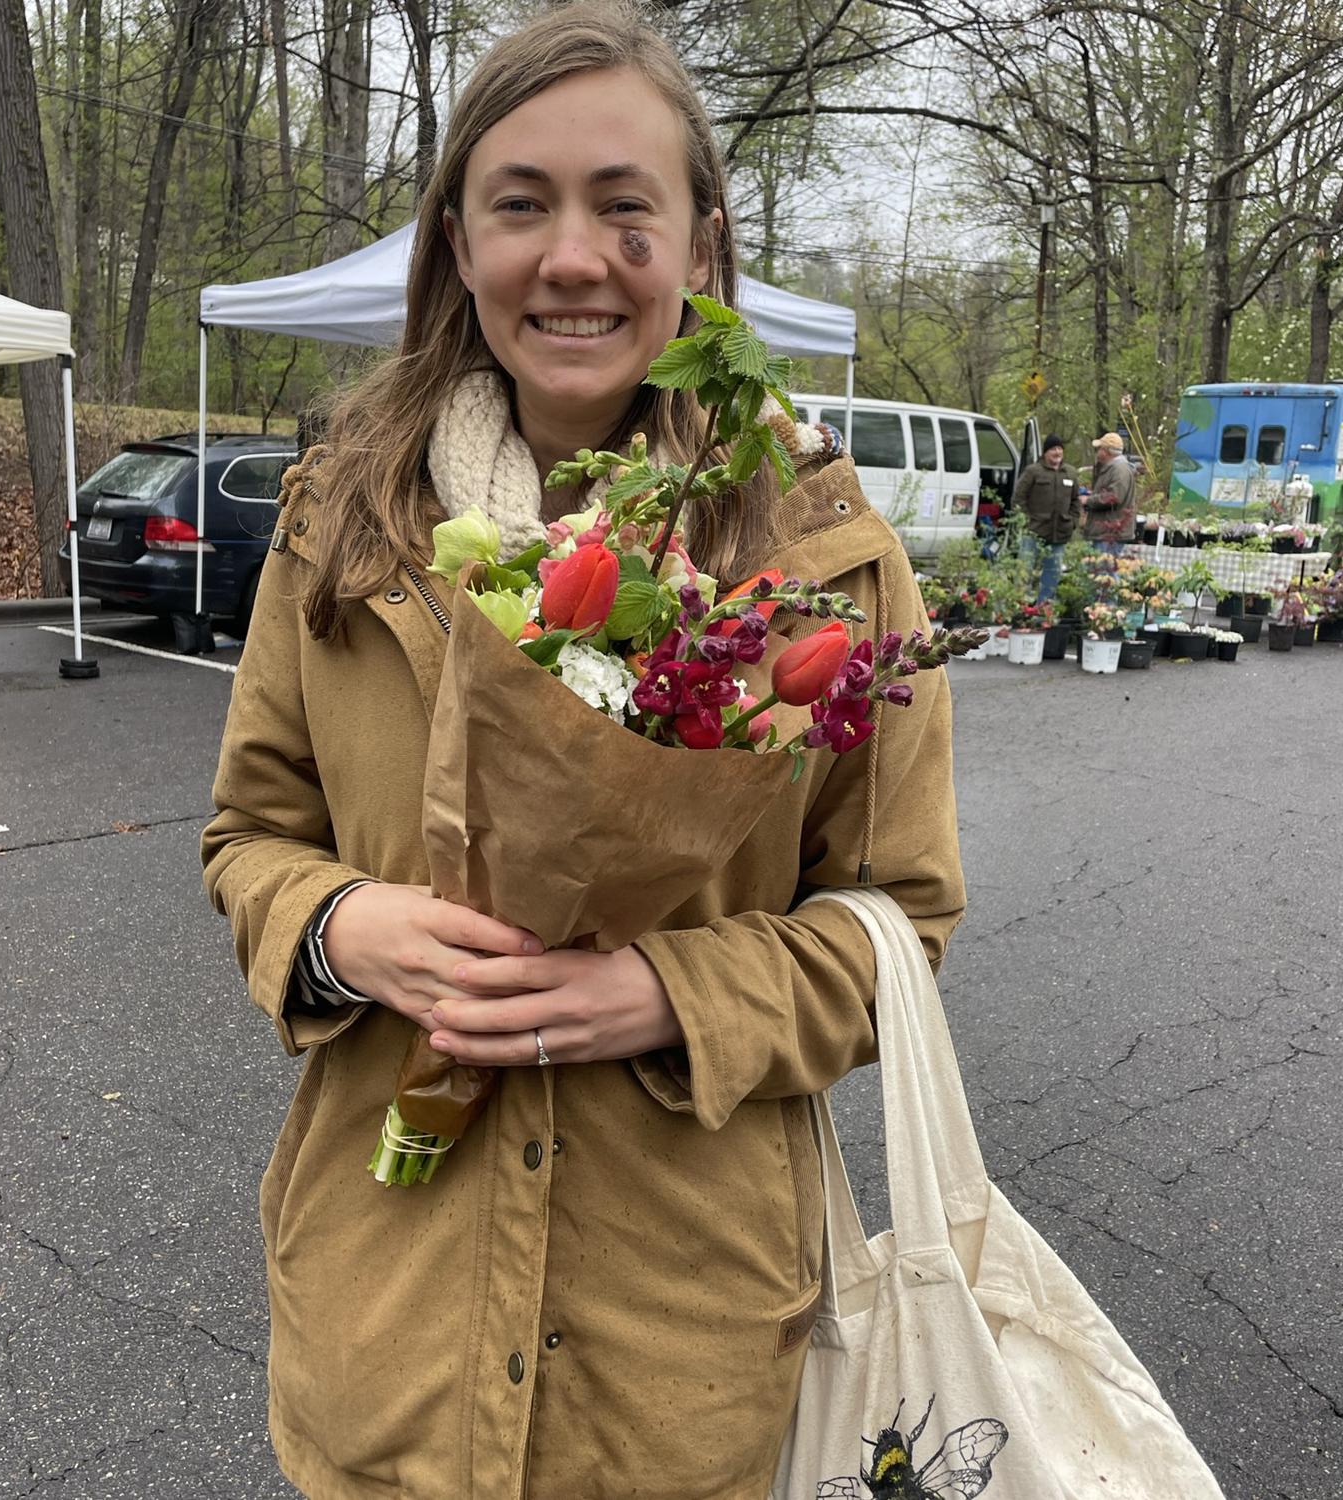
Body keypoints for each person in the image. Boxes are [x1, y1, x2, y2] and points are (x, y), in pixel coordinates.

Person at [200, 5, 964, 1496]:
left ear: (699, 246)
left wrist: (662, 992)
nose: (571, 255)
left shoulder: (830, 566)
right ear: (457, 242)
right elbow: (247, 840)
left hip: (681, 1351)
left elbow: (901, 928)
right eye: (521, 204)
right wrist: (347, 928)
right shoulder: (337, 529)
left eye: (626, 208)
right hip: (385, 1324)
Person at [1012, 433, 1079, 601]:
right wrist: (1027, 521)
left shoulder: (1070, 472)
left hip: (1060, 533)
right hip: (1034, 532)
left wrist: (1073, 522)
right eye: (1053, 449)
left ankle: (1044, 607)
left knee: (1053, 572)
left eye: (1059, 449)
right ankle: (1019, 605)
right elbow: (1018, 499)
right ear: (1045, 452)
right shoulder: (1033, 471)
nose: (1057, 452)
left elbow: (1076, 500)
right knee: (1024, 570)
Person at [1084, 430, 1137, 555]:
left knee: (1105, 570)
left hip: (1110, 533)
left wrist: (1088, 500)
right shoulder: (1111, 467)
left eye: (1099, 448)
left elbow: (1114, 497)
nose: (1097, 452)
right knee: (1103, 570)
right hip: (1107, 531)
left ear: (1106, 451)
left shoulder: (1119, 469)